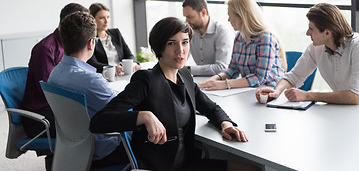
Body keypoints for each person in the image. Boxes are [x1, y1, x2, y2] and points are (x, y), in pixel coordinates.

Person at [90, 17, 258, 171]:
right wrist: (143, 116)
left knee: (253, 169)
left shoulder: (184, 76)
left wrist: (226, 124)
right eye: (172, 43)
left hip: (187, 163)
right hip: (161, 167)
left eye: (185, 42)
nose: (180, 50)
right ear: (159, 47)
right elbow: (98, 122)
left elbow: (210, 107)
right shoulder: (146, 81)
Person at [48, 11, 128, 168]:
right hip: (105, 150)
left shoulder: (54, 74)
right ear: (92, 43)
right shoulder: (92, 81)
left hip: (74, 150)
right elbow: (123, 113)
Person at [21, 3, 88, 170]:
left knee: (96, 118)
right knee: (86, 126)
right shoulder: (46, 49)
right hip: (41, 114)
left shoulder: (73, 44)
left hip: (57, 108)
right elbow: (51, 93)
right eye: (81, 23)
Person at [257, 3, 359, 105]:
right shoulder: (316, 48)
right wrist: (276, 92)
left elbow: (355, 97)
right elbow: (294, 76)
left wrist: (308, 95)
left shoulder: (357, 46)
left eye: (311, 29)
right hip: (343, 110)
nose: (307, 33)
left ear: (327, 33)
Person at [198, 0, 286, 91]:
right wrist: (216, 78)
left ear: (240, 17)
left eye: (230, 16)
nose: (228, 19)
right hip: (249, 91)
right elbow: (233, 69)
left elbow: (259, 78)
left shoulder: (266, 38)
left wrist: (224, 84)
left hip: (270, 92)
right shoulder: (239, 37)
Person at [182, 0, 233, 76]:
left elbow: (222, 67)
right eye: (185, 17)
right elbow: (182, 55)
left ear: (203, 13)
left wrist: (188, 69)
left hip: (221, 81)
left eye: (189, 17)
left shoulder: (221, 32)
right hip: (199, 80)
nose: (186, 21)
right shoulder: (190, 31)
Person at [87, 3, 140, 75]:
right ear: (93, 19)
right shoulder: (90, 38)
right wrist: (112, 68)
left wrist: (133, 63)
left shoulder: (115, 33)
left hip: (122, 74)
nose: (106, 21)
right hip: (106, 76)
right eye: (102, 18)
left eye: (108, 17)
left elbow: (129, 55)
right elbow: (92, 63)